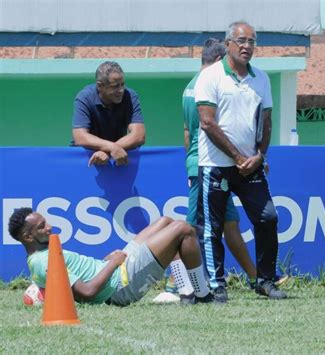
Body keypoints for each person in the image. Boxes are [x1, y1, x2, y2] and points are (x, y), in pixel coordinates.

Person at [194, 21, 286, 302]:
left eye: (252, 42)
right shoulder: (210, 76)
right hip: (217, 165)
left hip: (251, 166)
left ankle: (265, 280)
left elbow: (266, 121)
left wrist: (260, 155)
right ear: (228, 44)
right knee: (213, 228)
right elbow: (207, 123)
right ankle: (216, 285)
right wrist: (237, 157)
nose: (247, 47)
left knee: (268, 217)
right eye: (242, 41)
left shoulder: (261, 78)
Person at [8, 208, 213, 306]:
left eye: (46, 221)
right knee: (183, 229)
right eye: (42, 226)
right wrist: (114, 264)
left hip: (115, 270)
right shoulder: (43, 261)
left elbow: (85, 277)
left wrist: (107, 263)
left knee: (166, 221)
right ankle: (203, 295)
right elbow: (87, 292)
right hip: (120, 286)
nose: (49, 226)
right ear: (27, 237)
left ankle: (186, 293)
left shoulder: (42, 254)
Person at [71, 61, 145, 167]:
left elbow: (139, 136)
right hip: (86, 161)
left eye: (123, 84)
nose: (121, 90)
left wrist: (108, 151)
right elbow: (80, 137)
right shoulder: (84, 98)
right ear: (100, 85)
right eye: (115, 86)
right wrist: (112, 148)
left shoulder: (130, 96)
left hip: (116, 157)